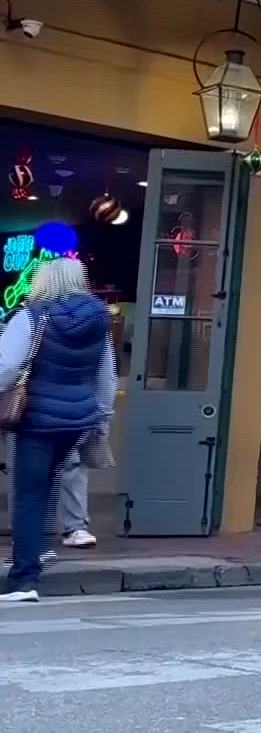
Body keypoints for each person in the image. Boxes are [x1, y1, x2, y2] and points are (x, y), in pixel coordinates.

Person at [1, 257, 115, 603]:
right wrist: (102, 417)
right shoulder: (99, 320)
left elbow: (5, 366)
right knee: (48, 484)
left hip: (35, 416)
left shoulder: (32, 315)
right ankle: (39, 552)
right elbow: (106, 375)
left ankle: (23, 580)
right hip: (77, 419)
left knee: (28, 492)